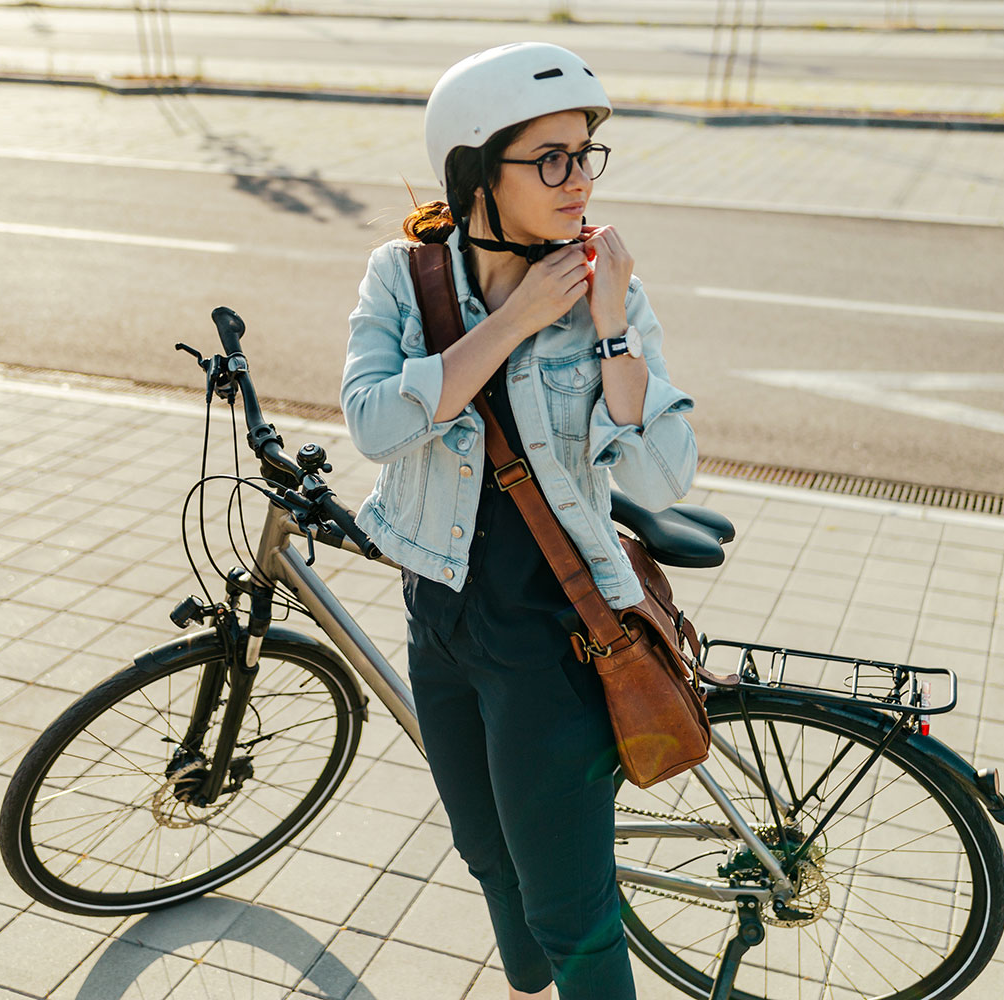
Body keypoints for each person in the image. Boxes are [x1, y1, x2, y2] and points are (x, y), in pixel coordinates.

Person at [339, 42, 697, 1000]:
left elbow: (666, 473)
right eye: (552, 159)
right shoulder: (403, 277)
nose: (580, 180)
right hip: (440, 616)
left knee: (572, 910)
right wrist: (514, 321)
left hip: (555, 637)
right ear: (473, 173)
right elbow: (373, 423)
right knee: (486, 854)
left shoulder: (606, 295)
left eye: (587, 155)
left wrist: (611, 326)